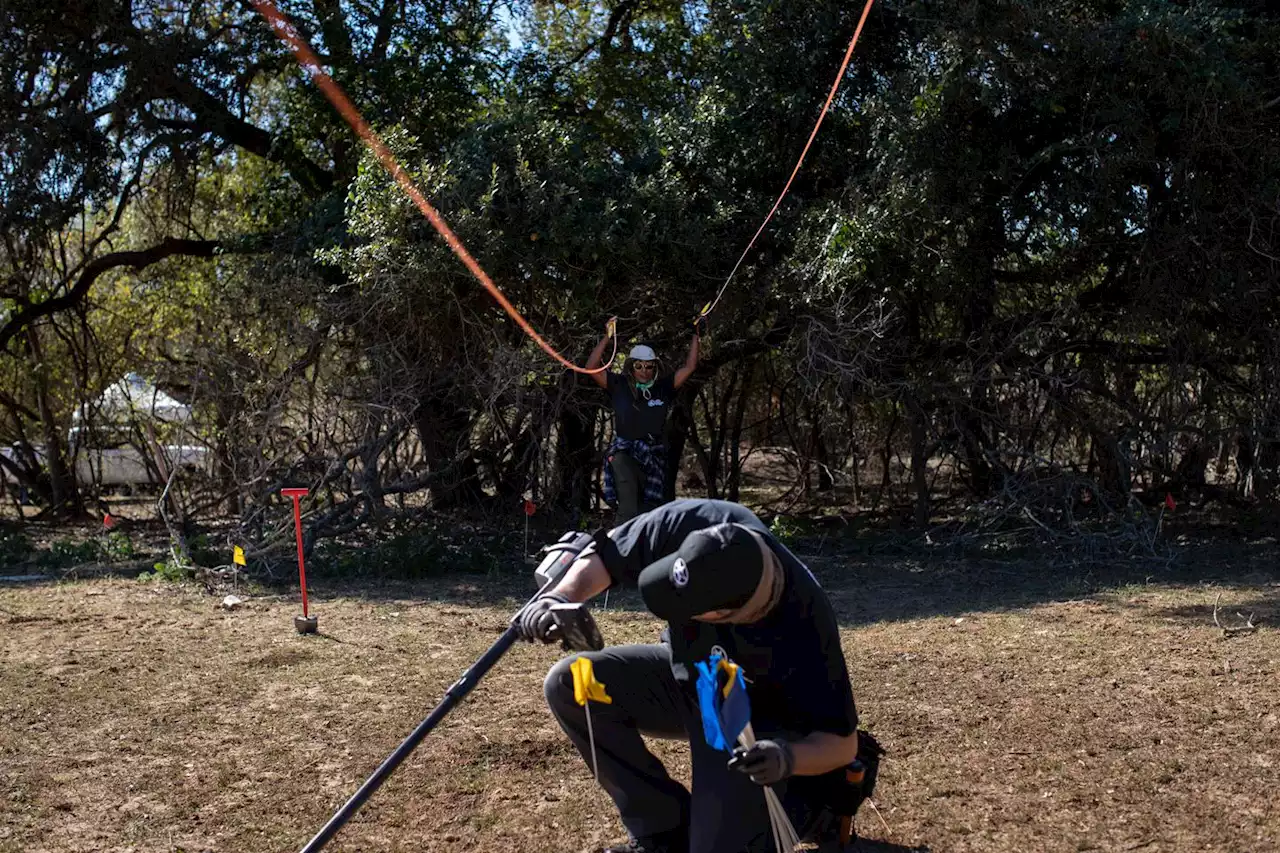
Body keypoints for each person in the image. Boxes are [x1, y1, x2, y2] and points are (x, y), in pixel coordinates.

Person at [515, 499, 871, 853]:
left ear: (725, 615)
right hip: (687, 680)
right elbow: (605, 555)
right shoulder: (703, 524)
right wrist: (561, 595)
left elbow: (841, 743)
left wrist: (784, 757)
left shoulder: (806, 627)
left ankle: (809, 810)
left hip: (750, 723)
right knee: (571, 684)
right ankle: (662, 831)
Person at [586, 319, 701, 522]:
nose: (644, 371)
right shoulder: (618, 385)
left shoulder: (663, 388)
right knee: (628, 508)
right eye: (639, 366)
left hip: (653, 455)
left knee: (648, 512)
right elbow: (591, 366)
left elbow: (690, 367)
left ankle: (643, 549)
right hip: (625, 453)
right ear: (631, 367)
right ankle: (618, 548)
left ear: (655, 367)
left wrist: (695, 334)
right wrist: (607, 336)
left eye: (649, 366)